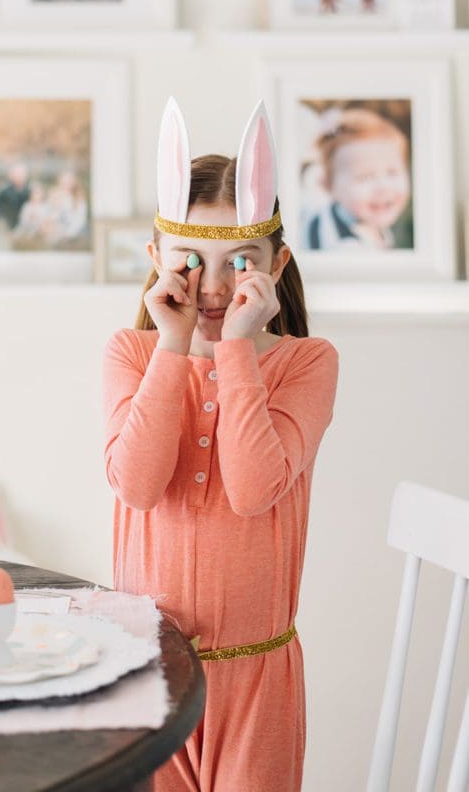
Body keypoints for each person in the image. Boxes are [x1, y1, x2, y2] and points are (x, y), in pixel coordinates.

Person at [102, 98, 339, 791]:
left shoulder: (306, 363)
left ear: (276, 261)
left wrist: (235, 350)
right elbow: (136, 484)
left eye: (239, 262)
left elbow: (253, 485)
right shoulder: (130, 352)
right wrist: (172, 347)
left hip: (257, 679)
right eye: (189, 261)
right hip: (149, 675)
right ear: (156, 259)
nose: (212, 287)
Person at [303, 106, 412, 251]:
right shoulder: (346, 247)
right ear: (328, 185)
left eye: (392, 173)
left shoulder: (367, 220)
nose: (382, 187)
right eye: (365, 177)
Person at [0, 162, 32, 230]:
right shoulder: (4, 192)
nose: (19, 177)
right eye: (16, 174)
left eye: (21, 174)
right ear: (11, 176)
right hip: (8, 226)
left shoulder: (31, 191)